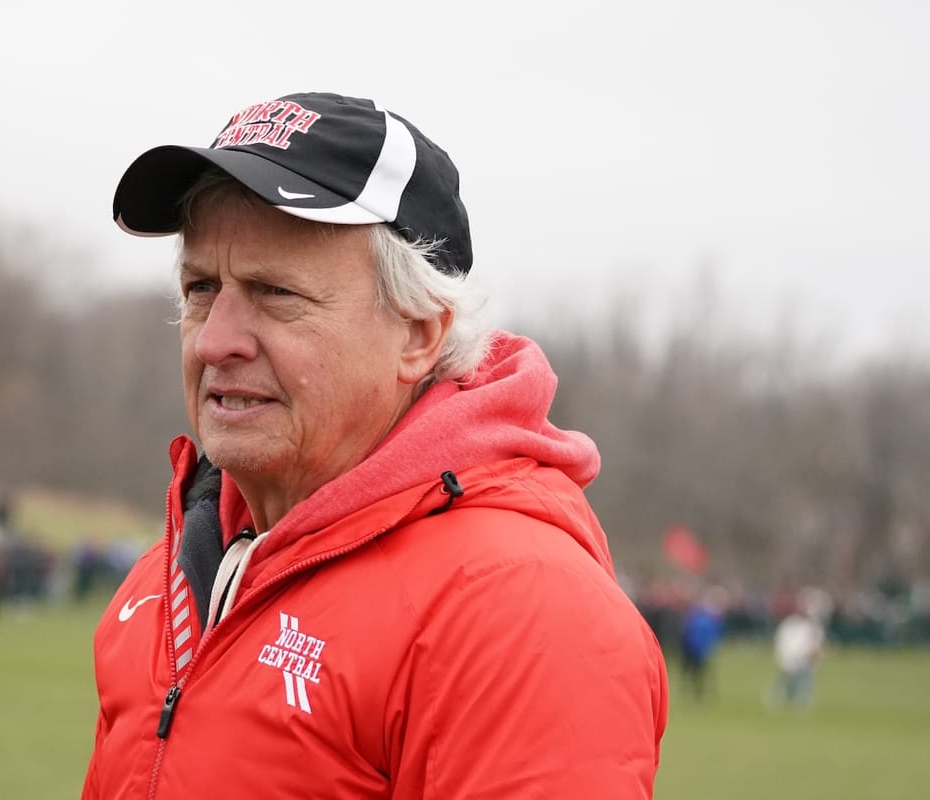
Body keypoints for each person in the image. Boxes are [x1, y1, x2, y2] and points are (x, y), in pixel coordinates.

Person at [83, 91, 668, 798]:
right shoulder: (173, 570)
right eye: (202, 287)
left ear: (420, 332)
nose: (214, 340)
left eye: (275, 293)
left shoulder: (519, 611)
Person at [768, 586, 828, 710]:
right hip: (791, 657)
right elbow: (783, 641)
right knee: (786, 680)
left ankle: (800, 703)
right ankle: (779, 698)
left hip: (805, 659)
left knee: (804, 682)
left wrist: (815, 655)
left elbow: (817, 643)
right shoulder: (790, 624)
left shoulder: (813, 626)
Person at [679, 585, 727, 702]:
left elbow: (715, 634)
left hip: (700, 648)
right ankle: (691, 691)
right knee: (692, 671)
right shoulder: (699, 616)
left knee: (699, 672)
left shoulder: (709, 618)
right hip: (693, 648)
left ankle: (698, 692)